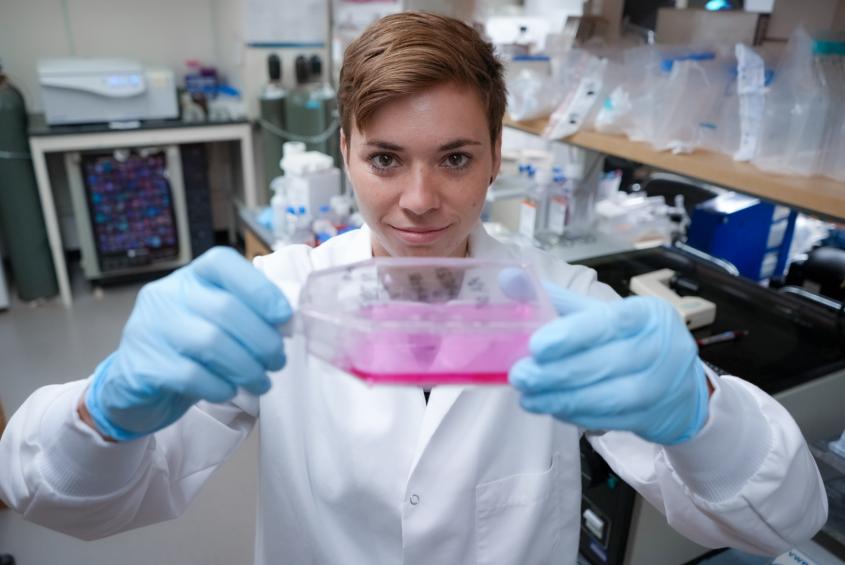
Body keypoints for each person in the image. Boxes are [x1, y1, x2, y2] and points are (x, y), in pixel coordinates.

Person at [0, 12, 827, 565]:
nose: (420, 198)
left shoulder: (564, 305)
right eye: (386, 158)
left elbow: (779, 518)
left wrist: (699, 407)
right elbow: (58, 497)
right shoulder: (281, 299)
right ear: (347, 150)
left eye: (455, 157)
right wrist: (101, 411)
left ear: (496, 155)